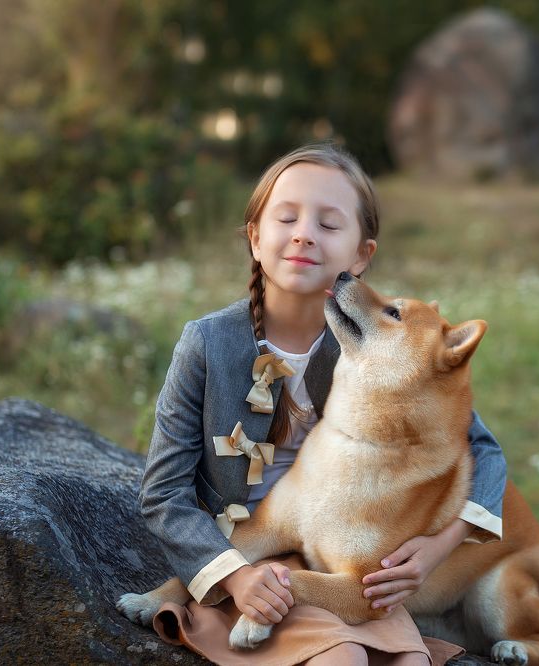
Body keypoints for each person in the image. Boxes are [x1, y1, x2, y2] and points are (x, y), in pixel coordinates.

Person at [139, 143, 507, 665]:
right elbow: (163, 491)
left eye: (330, 224)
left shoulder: (371, 350)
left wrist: (439, 546)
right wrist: (235, 577)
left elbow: (483, 450)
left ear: (361, 256)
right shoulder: (209, 343)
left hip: (341, 571)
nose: (305, 232)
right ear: (255, 238)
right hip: (244, 563)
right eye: (286, 217)